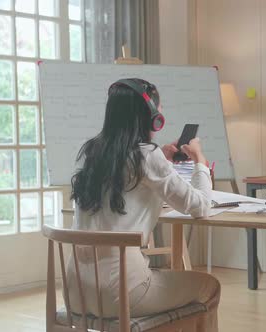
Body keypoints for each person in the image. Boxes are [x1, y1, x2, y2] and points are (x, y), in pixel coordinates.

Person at [66, 78, 220, 329]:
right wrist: (200, 161)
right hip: (121, 294)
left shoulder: (94, 152)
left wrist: (164, 161)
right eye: (159, 110)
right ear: (152, 118)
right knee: (209, 286)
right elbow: (201, 206)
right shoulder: (147, 155)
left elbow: (132, 187)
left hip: (77, 293)